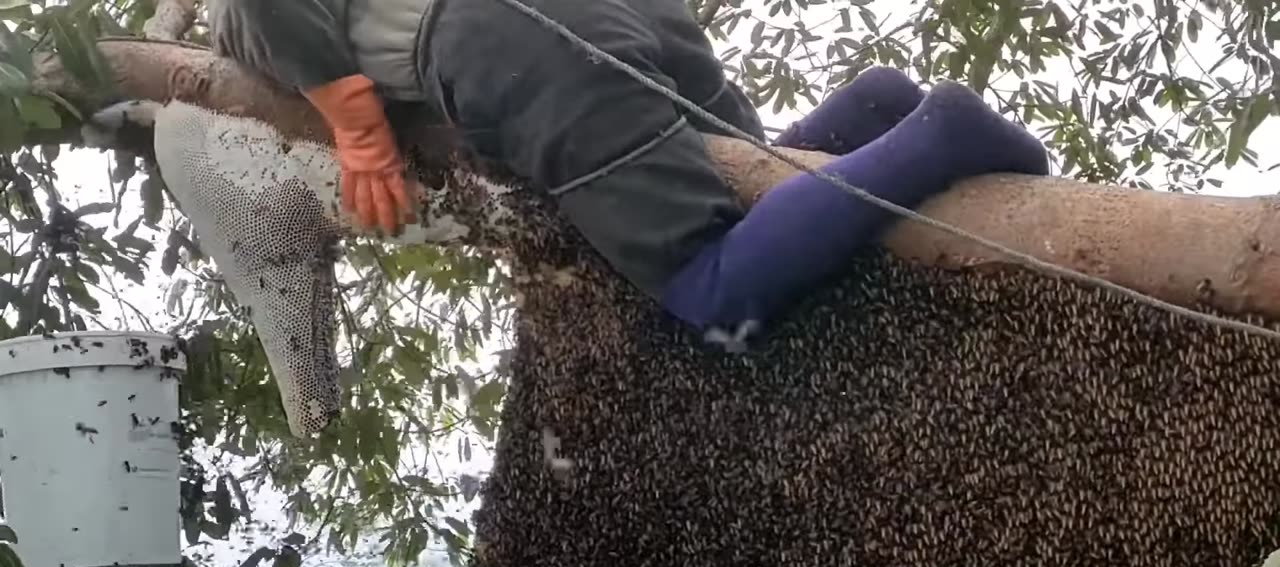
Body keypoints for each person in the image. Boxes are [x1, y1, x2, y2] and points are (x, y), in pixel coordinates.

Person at [208, 0, 1049, 336]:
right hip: (620, 10)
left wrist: (358, 132)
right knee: (750, 179)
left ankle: (937, 134)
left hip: (523, 49)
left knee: (711, 289)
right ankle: (875, 109)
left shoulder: (226, 20)